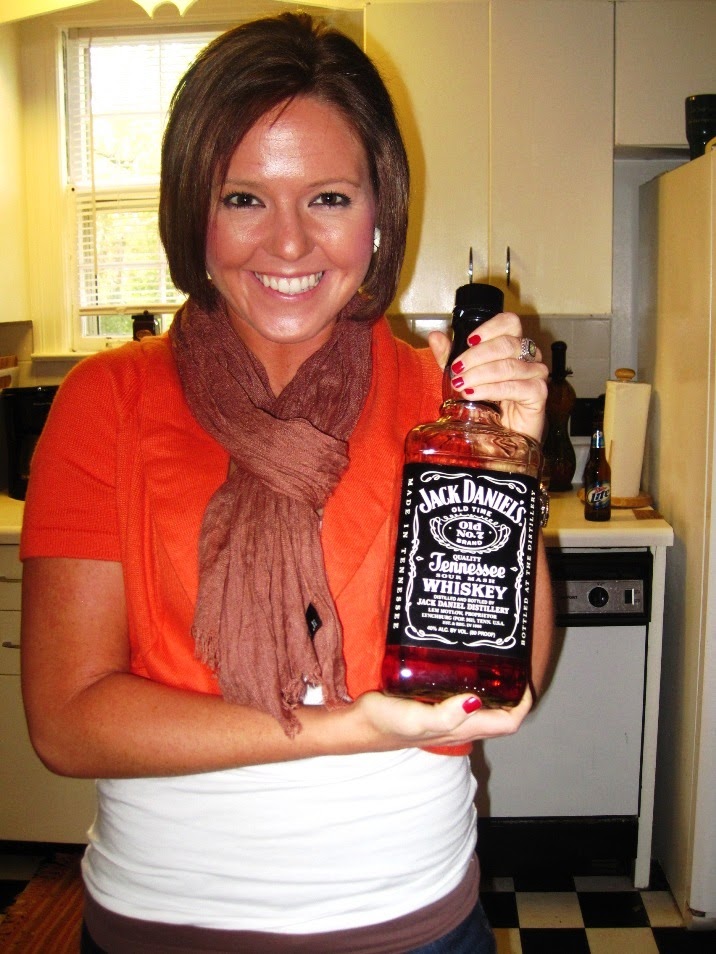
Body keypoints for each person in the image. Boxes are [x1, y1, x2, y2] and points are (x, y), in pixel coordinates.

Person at [20, 12, 553, 954]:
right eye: (244, 198)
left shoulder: (441, 402)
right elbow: (68, 721)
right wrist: (346, 729)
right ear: (193, 212)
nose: (291, 244)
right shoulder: (107, 402)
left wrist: (511, 461)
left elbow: (502, 689)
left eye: (330, 198)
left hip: (413, 926)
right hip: (163, 926)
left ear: (380, 211)